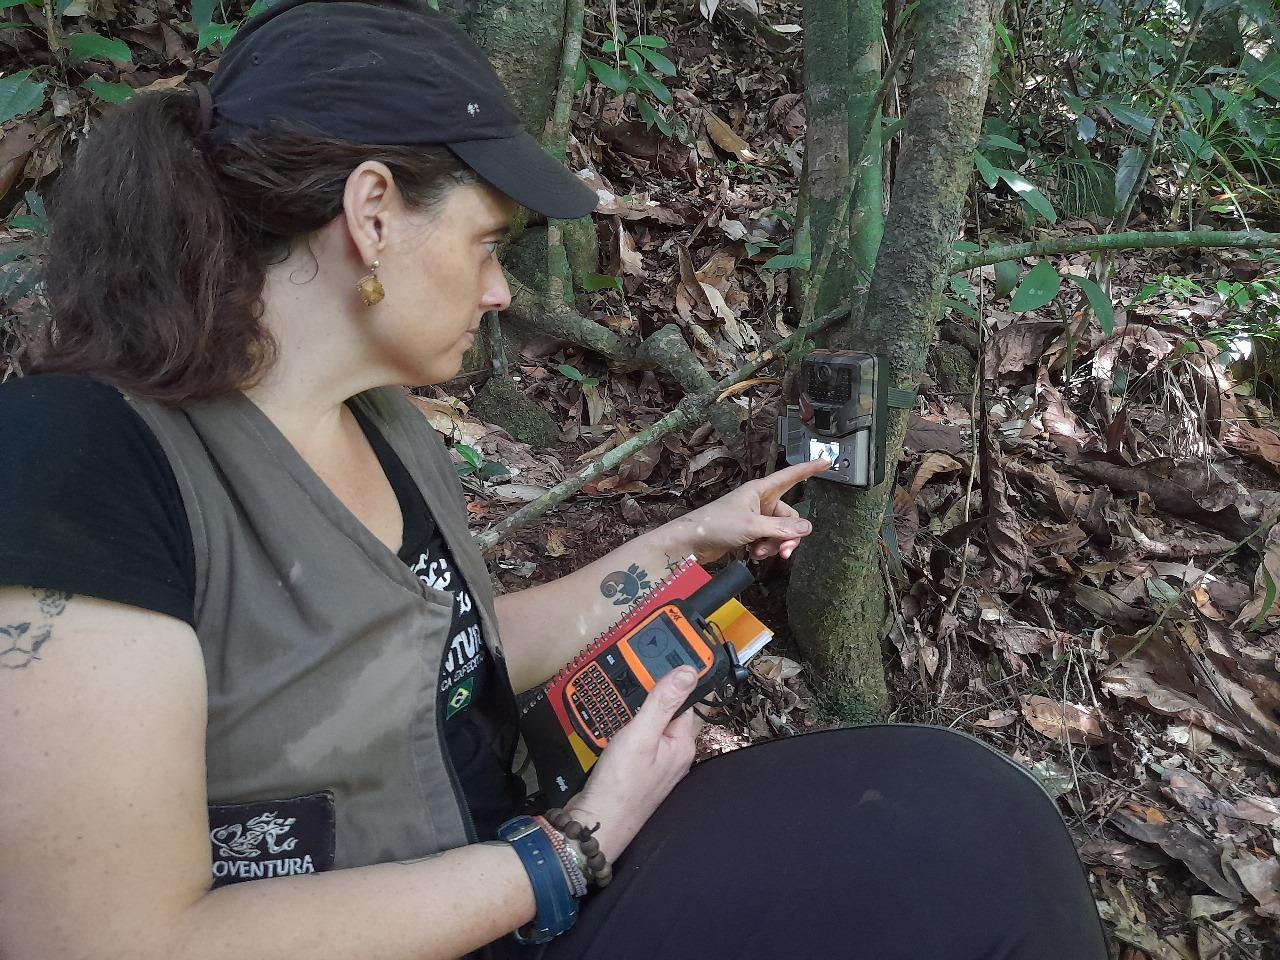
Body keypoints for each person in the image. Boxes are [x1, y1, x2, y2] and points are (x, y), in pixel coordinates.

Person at [0, 1, 1109, 957]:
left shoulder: (376, 417)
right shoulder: (81, 460)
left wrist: (688, 544)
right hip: (470, 897)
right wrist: (569, 848)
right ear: (372, 214)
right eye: (488, 242)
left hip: (501, 868)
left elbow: (455, 646)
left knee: (962, 825)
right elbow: (103, 939)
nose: (498, 290)